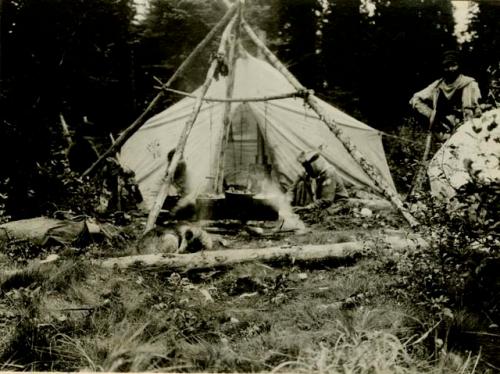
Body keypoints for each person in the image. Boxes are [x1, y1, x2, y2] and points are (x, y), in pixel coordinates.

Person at [410, 50, 482, 141]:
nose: (451, 69)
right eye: (447, 66)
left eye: (453, 65)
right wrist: (432, 116)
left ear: (459, 65)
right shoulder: (438, 85)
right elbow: (416, 99)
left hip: (467, 127)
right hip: (444, 129)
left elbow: (477, 108)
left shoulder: (469, 83)